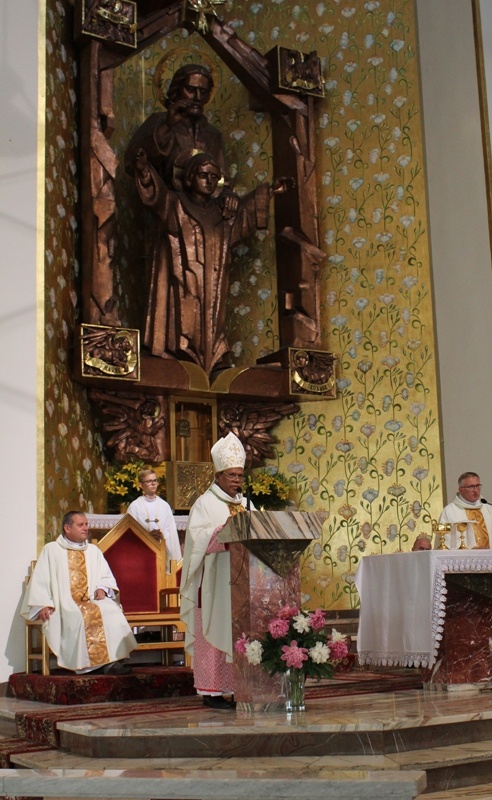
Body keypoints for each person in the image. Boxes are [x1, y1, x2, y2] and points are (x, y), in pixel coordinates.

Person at [133, 148, 291, 374]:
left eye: (214, 178)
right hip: (182, 279)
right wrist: (145, 170)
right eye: (203, 175)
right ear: (189, 178)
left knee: (212, 318)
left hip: (214, 282)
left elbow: (245, 214)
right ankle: (178, 352)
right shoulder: (177, 203)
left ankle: (211, 359)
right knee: (183, 315)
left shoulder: (222, 212)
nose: (209, 181)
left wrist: (271, 191)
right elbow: (158, 197)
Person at [179, 432, 250, 710]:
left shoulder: (246, 504)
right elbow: (196, 540)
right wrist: (222, 532)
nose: (236, 481)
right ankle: (212, 692)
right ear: (218, 475)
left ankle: (237, 687)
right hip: (213, 581)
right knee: (212, 628)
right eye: (231, 475)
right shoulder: (204, 503)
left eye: (240, 476)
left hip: (241, 583)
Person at [20, 511, 137, 674]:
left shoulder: (93, 551)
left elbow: (106, 576)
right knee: (79, 616)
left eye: (86, 524)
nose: (85, 528)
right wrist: (43, 604)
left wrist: (103, 588)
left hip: (92, 600)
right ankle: (88, 665)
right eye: (80, 525)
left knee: (111, 611)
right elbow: (41, 580)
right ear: (67, 528)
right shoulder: (51, 550)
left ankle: (113, 662)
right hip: (65, 603)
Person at [125, 63, 227, 190]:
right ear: (177, 90)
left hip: (203, 206)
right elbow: (132, 163)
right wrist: (167, 126)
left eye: (203, 91)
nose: (197, 97)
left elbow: (222, 179)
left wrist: (228, 195)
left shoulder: (213, 134)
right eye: (190, 90)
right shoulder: (159, 121)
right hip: (166, 201)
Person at [438, 471, 492, 549]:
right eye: (471, 487)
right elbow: (446, 540)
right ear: (461, 489)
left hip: (490, 558)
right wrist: (471, 550)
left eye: (478, 486)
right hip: (464, 559)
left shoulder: (488, 509)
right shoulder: (450, 511)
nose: (476, 490)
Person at [126, 469, 182, 568]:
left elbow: (171, 531)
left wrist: (162, 534)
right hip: (142, 551)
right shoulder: (134, 506)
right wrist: (147, 536)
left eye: (155, 480)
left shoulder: (164, 506)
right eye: (149, 481)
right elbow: (129, 532)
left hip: (162, 550)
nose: (153, 483)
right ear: (141, 485)